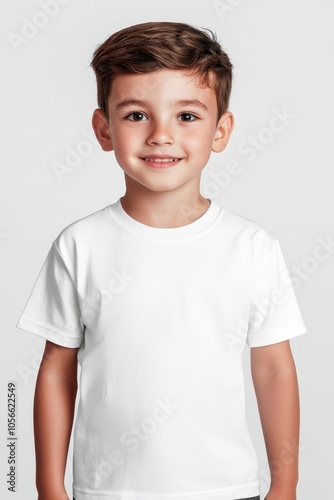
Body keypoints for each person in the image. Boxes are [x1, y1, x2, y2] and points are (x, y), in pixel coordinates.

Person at [16, 21, 307, 500]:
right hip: (108, 492)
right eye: (136, 115)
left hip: (227, 490)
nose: (160, 135)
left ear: (221, 130)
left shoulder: (251, 246)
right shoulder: (79, 244)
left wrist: (286, 485)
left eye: (187, 116)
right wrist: (49, 486)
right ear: (104, 128)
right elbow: (56, 369)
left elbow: (275, 368)